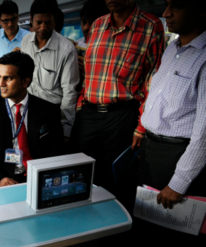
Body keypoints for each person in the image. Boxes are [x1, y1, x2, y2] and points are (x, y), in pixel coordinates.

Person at [75, 0, 165, 192]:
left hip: (122, 116)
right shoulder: (98, 25)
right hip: (88, 113)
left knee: (114, 180)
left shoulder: (151, 26)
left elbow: (153, 81)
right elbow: (89, 74)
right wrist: (81, 105)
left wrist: (141, 127)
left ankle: (114, 221)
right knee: (81, 177)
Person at [140, 0, 206, 208]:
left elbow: (204, 131)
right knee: (148, 217)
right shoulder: (172, 49)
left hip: (177, 156)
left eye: (177, 6)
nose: (166, 13)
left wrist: (179, 183)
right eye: (167, 5)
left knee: (172, 227)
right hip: (151, 148)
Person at [0, 51, 64, 187]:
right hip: (5, 179)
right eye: (0, 77)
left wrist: (42, 174)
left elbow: (57, 148)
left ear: (25, 81)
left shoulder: (48, 110)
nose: (1, 83)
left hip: (39, 177)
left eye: (8, 78)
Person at [21, 0, 79, 142]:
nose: (43, 27)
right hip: (27, 112)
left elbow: (69, 93)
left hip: (52, 116)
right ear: (31, 19)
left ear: (55, 21)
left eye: (48, 22)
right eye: (38, 22)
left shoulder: (66, 50)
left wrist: (66, 130)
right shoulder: (25, 41)